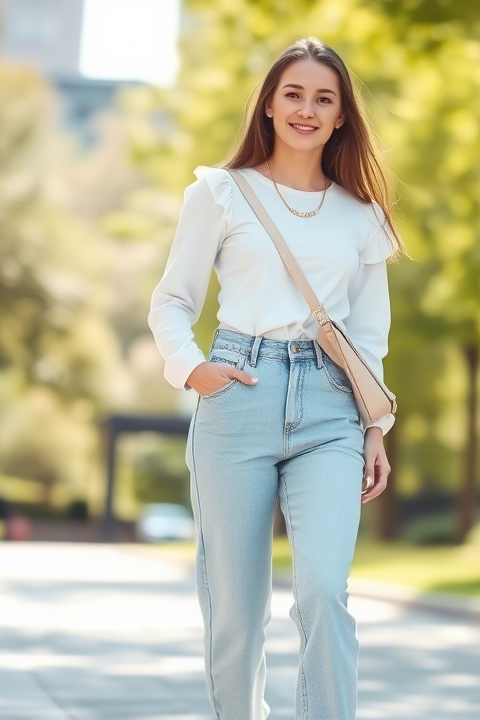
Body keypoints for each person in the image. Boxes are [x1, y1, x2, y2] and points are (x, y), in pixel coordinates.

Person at [147, 37, 406, 720]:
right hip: (240, 395)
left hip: (330, 410)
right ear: (268, 103)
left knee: (323, 588)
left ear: (343, 116)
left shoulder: (363, 217)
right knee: (236, 608)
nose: (306, 109)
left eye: (324, 98)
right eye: (293, 94)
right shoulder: (221, 193)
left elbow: (369, 338)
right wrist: (194, 369)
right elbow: (172, 300)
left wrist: (374, 429)